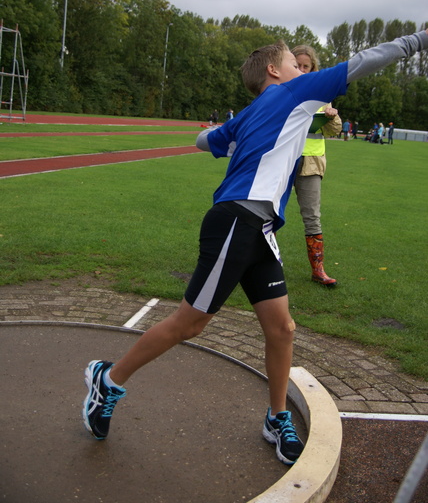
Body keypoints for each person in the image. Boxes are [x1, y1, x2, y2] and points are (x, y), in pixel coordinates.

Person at [82, 29, 428, 468]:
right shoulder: (297, 90)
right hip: (236, 222)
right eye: (294, 63)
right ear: (275, 71)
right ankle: (108, 379)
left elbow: (205, 142)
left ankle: (276, 415)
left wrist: (227, 134)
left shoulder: (252, 111)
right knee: (190, 323)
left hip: (258, 228)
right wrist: (419, 41)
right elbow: (364, 60)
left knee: (282, 329)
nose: (304, 70)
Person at [291, 45, 342, 287]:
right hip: (283, 159)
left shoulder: (323, 94)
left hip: (311, 163)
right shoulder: (281, 89)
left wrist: (331, 116)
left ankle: (318, 269)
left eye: (306, 66)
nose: (301, 70)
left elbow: (334, 131)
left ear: (313, 68)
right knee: (267, 212)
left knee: (312, 217)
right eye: (297, 65)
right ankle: (258, 264)